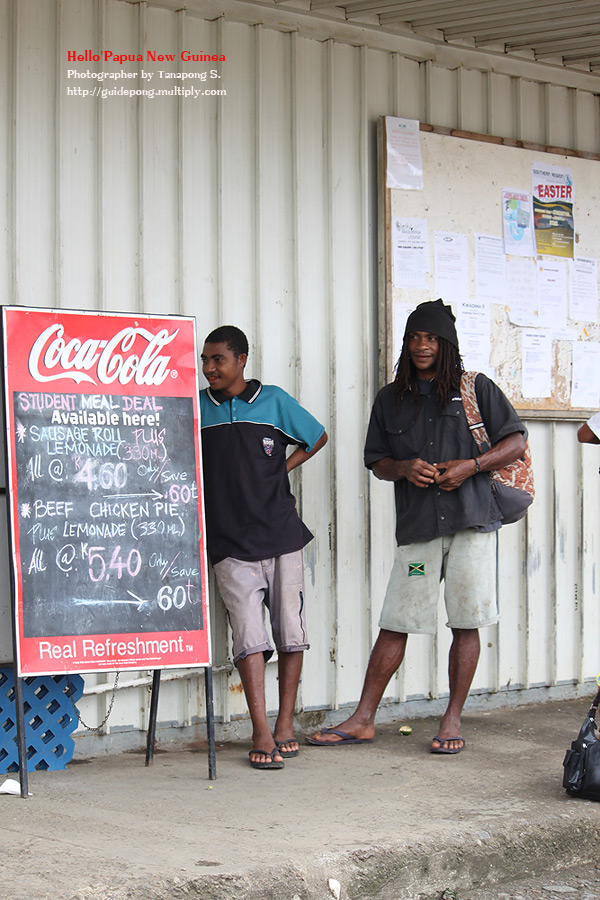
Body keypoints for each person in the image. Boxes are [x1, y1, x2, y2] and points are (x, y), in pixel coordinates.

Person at [307, 299, 527, 755]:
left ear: (446, 345)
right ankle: (363, 719)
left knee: (466, 623)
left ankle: (451, 720)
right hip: (419, 528)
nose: (422, 346)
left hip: (471, 523)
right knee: (396, 621)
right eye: (414, 338)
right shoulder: (390, 398)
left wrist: (471, 465)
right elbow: (377, 461)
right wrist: (403, 468)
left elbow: (516, 441)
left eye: (431, 338)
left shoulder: (476, 388)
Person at [199, 326, 327, 769]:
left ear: (241, 360)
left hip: (282, 535)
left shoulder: (272, 400)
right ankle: (261, 728)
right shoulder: (197, 408)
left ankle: (286, 722)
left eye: (218, 359)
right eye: (205, 360)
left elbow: (316, 436)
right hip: (228, 541)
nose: (209, 368)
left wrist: (280, 470)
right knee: (248, 636)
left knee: (290, 632)